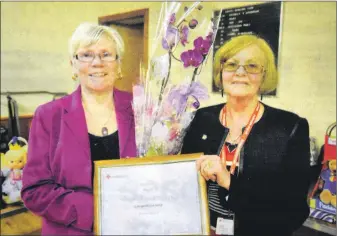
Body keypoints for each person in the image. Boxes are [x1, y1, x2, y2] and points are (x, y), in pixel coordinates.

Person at [181, 34, 310, 236]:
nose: (240, 73)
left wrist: (230, 182)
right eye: (231, 64)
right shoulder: (201, 118)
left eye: (252, 66)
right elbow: (185, 183)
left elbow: (294, 212)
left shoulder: (290, 128)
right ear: (220, 72)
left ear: (265, 75)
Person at [21, 22, 136, 235]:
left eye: (106, 54)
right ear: (73, 64)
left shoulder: (142, 109)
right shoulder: (48, 115)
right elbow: (34, 190)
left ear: (118, 65)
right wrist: (98, 211)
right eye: (86, 55)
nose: (97, 63)